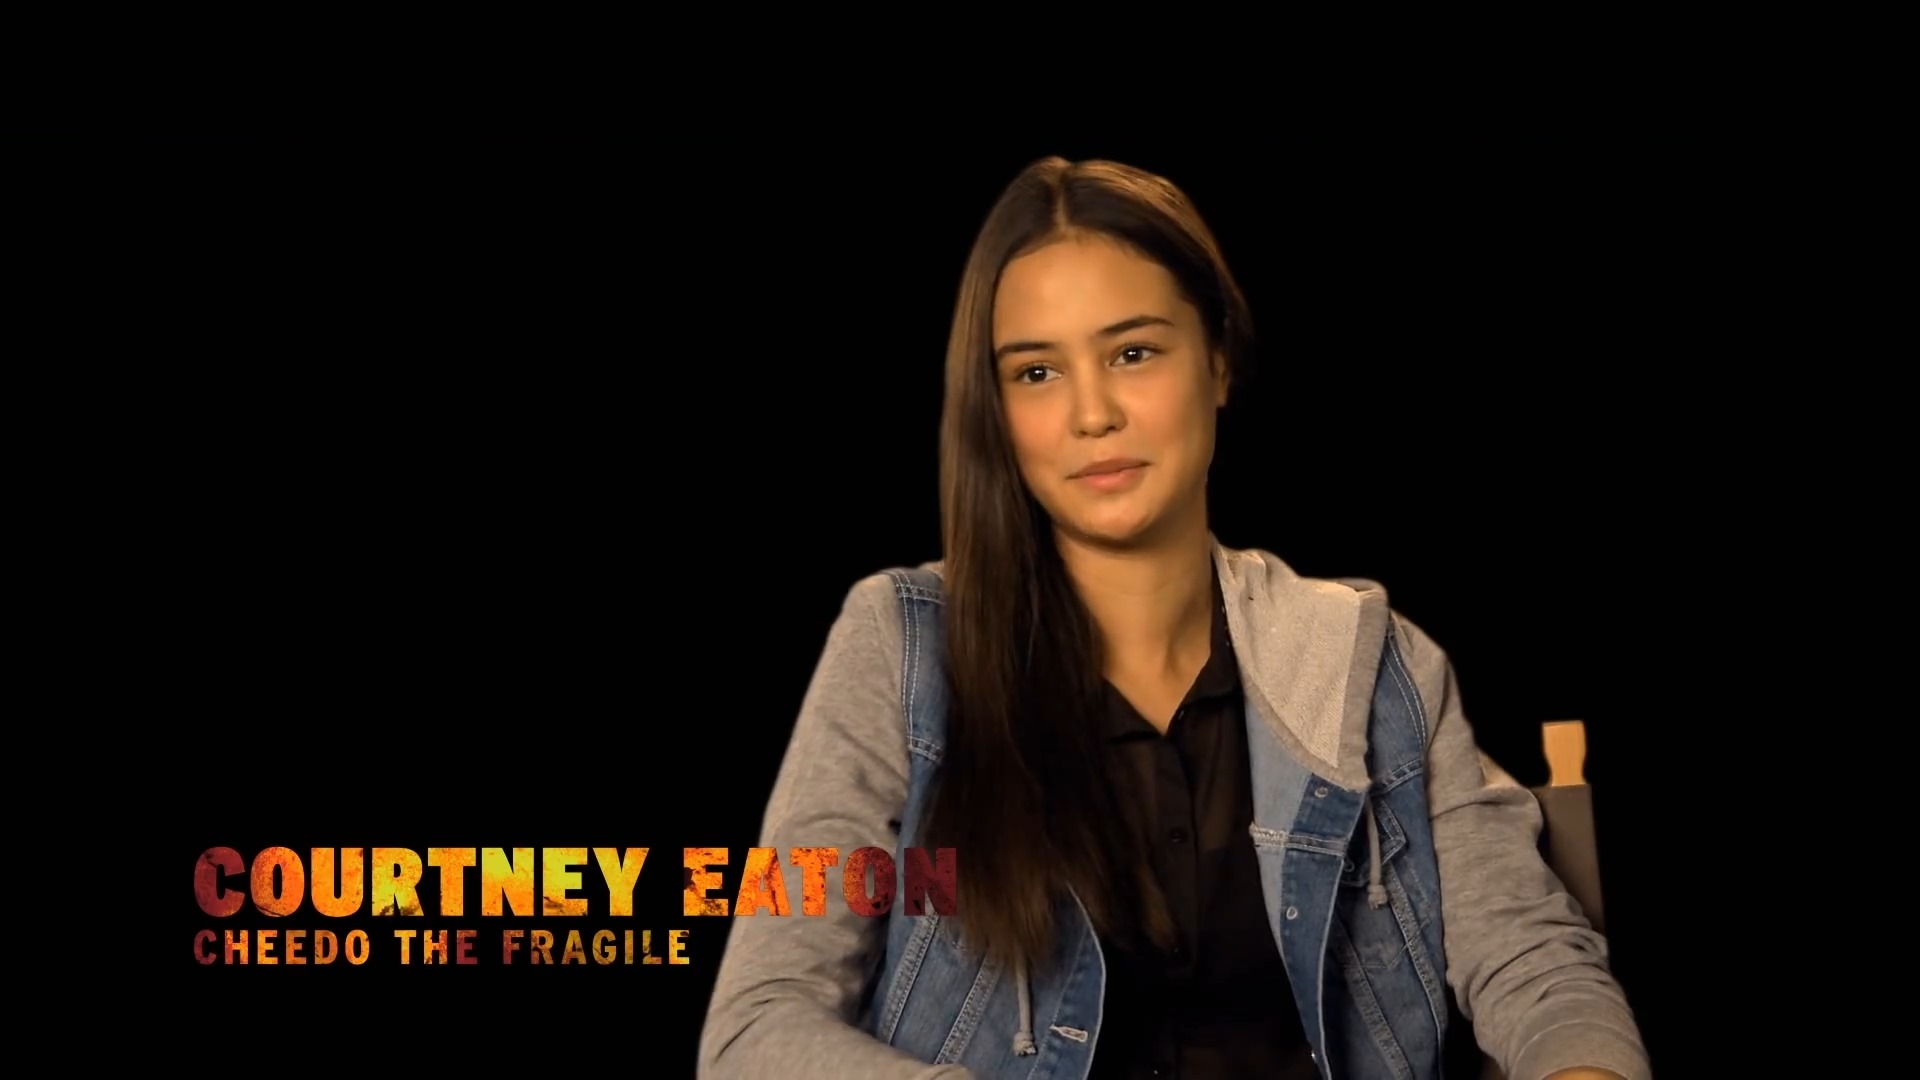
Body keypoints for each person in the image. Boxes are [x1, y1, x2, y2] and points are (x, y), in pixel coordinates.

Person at [697, 157, 1648, 1080]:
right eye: (1037, 372)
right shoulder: (900, 649)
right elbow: (757, 1028)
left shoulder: (1373, 662)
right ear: (995, 408)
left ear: (1218, 360)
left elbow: (1537, 967)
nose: (1092, 414)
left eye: (1133, 353)